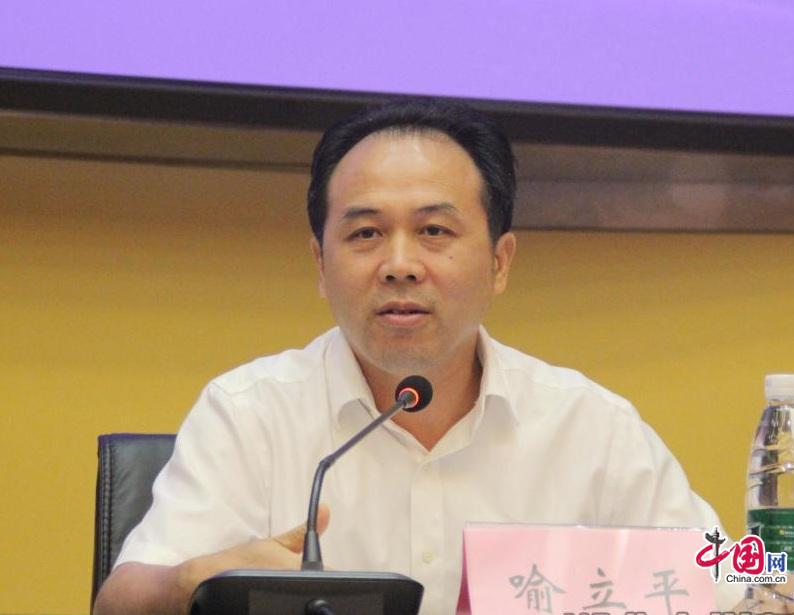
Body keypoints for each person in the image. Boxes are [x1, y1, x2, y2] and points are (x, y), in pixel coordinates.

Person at [94, 99, 736, 615]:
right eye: (365, 233)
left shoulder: (591, 425)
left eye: (434, 231)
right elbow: (117, 604)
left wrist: (781, 560)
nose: (399, 265)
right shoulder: (249, 413)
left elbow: (740, 583)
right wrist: (191, 582)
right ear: (320, 264)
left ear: (500, 261)